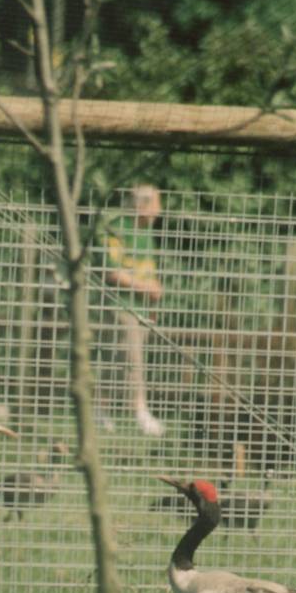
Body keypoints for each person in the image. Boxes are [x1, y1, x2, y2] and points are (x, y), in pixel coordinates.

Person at [96, 183, 165, 437]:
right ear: (142, 205)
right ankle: (139, 410)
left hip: (142, 308)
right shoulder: (117, 229)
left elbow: (146, 270)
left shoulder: (146, 233)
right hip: (120, 305)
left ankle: (101, 409)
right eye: (157, 203)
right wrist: (146, 287)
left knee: (117, 361)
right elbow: (112, 272)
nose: (160, 211)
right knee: (132, 359)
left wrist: (153, 295)